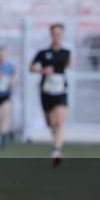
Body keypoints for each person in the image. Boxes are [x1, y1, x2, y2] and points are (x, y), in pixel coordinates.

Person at [30, 23, 72, 167]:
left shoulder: (66, 53)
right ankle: (56, 144)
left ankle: (57, 150)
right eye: (54, 33)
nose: (57, 36)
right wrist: (42, 71)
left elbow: (69, 65)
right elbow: (31, 67)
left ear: (62, 35)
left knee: (60, 122)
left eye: (59, 34)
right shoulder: (43, 53)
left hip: (61, 91)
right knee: (50, 123)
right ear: (51, 35)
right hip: (46, 92)